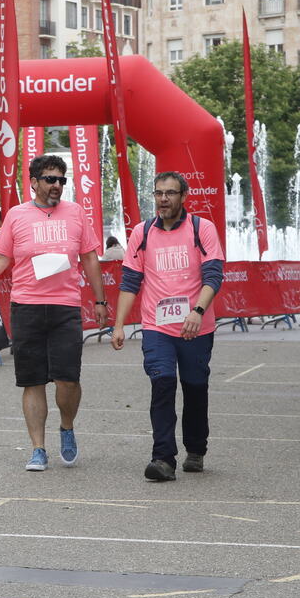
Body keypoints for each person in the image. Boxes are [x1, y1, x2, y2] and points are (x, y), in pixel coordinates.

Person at [0, 154, 106, 471]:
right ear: (34, 182)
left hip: (65, 307)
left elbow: (89, 258)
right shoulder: (17, 216)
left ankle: (67, 426)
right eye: (50, 179)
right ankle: (38, 449)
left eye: (62, 180)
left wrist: (101, 302)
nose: (57, 186)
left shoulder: (75, 213)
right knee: (32, 380)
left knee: (68, 380)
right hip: (27, 307)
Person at [111, 172, 224, 482]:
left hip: (196, 328)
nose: (163, 199)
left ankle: (196, 449)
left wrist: (198, 311)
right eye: (159, 193)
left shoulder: (202, 229)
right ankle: (162, 458)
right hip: (157, 327)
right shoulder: (142, 232)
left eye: (171, 193)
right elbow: (130, 281)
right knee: (162, 384)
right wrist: (119, 325)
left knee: (195, 387)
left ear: (183, 196)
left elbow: (213, 276)